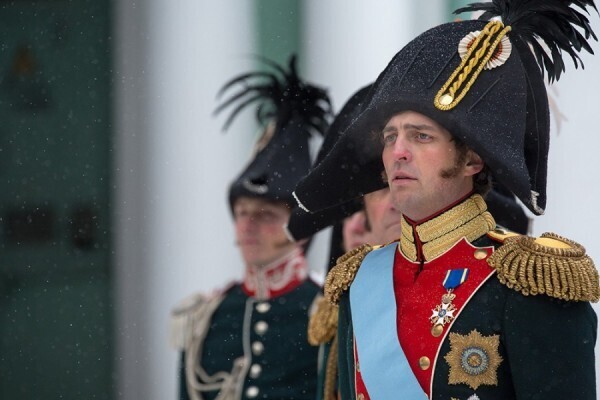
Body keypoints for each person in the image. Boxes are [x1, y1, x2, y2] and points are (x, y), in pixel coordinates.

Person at [292, 1, 600, 399]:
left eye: (421, 136)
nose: (398, 152)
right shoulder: (360, 282)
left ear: (472, 159)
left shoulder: (528, 283)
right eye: (390, 137)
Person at [170, 55, 331, 400]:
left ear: (302, 228)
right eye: (242, 213)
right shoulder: (206, 317)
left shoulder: (326, 312)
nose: (247, 225)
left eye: (266, 215)